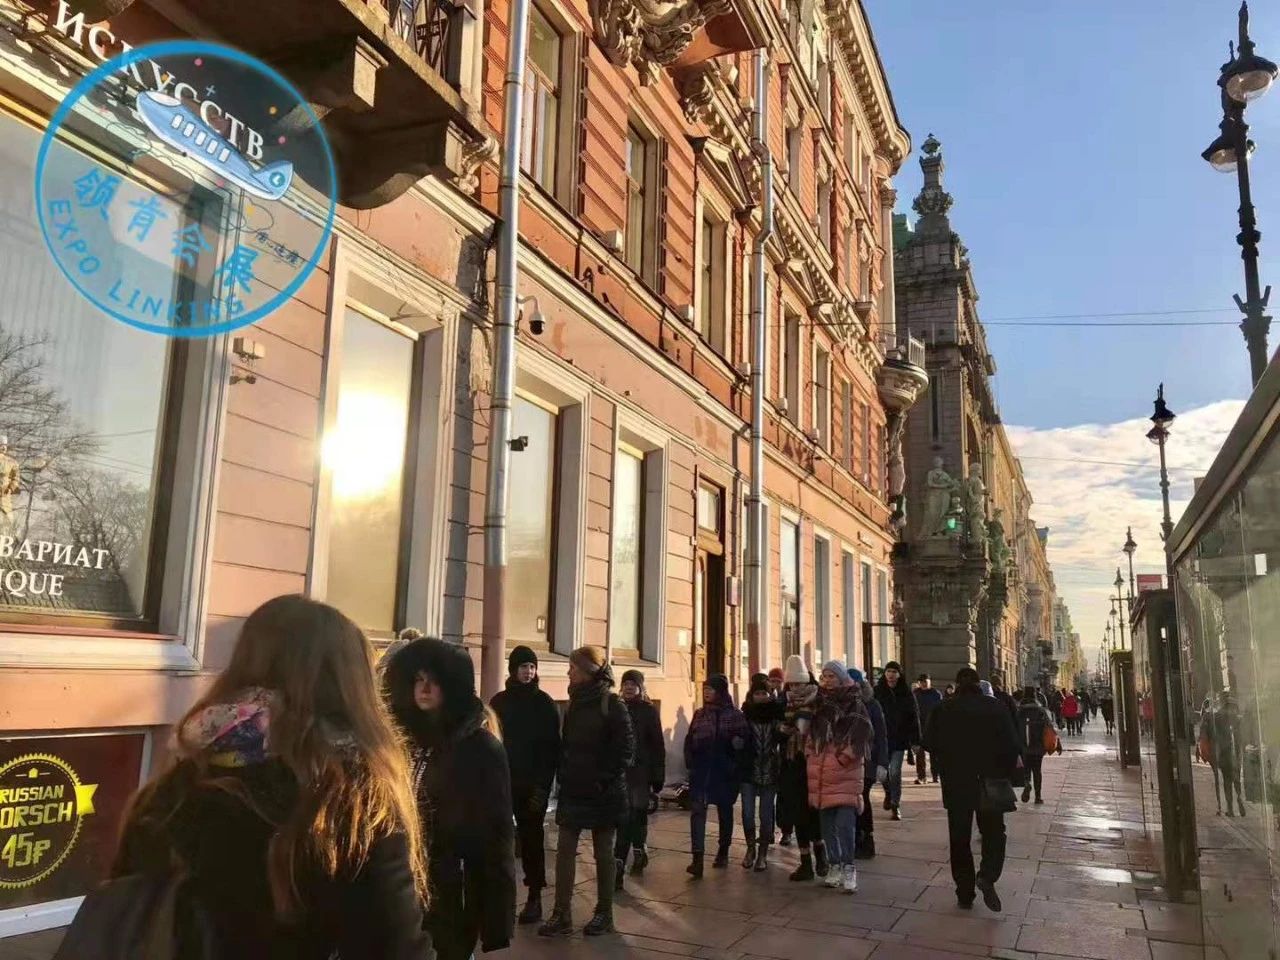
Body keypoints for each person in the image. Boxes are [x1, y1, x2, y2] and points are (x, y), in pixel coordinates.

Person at [111, 595, 433, 960]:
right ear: (351, 687)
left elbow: (126, 922)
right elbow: (397, 947)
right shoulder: (353, 800)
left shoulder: (172, 788)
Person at [384, 636, 516, 960]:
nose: (425, 688)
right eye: (418, 680)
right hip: (401, 880)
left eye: (434, 680)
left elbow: (497, 835)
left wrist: (496, 918)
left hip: (451, 887)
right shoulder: (402, 741)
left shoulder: (478, 747)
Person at [540, 646, 634, 938]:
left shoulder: (612, 704)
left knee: (603, 853)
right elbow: (567, 745)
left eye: (573, 668)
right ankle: (562, 913)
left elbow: (626, 751)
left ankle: (604, 912)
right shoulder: (574, 704)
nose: (568, 672)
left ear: (588, 672)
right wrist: (563, 774)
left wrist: (602, 780)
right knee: (565, 851)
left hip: (603, 793)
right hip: (573, 788)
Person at [925, 667, 1021, 913]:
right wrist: (1004, 771)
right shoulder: (996, 707)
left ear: (957, 685)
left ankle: (964, 891)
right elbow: (1012, 744)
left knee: (959, 837)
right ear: (979, 684)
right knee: (994, 833)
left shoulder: (943, 709)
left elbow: (929, 743)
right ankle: (987, 875)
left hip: (956, 782)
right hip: (990, 780)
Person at [489, 645, 561, 925]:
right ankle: (498, 898)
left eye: (532, 667)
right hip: (503, 784)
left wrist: (543, 787)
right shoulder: (499, 702)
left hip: (532, 787)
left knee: (532, 841)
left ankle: (534, 896)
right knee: (499, 842)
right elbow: (491, 742)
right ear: (513, 669)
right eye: (523, 667)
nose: (528, 672)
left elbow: (552, 749)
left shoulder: (544, 704)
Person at [806, 661, 873, 894]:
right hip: (822, 771)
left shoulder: (855, 702)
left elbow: (863, 733)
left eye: (831, 676)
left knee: (845, 825)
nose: (827, 680)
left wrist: (844, 757)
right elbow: (810, 734)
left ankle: (849, 867)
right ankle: (834, 864)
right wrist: (810, 754)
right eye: (824, 676)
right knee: (827, 827)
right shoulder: (818, 703)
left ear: (841, 678)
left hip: (845, 773)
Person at [684, 674, 750, 877]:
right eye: (705, 689)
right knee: (697, 811)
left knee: (724, 810)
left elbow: (744, 742)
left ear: (720, 692)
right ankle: (697, 858)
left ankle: (723, 850)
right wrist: (690, 762)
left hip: (724, 771)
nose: (706, 692)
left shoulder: (735, 715)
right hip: (702, 770)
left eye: (710, 689)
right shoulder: (700, 714)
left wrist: (734, 756)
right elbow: (690, 739)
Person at [777, 655, 829, 880]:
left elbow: (824, 730)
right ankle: (805, 862)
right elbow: (778, 731)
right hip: (792, 764)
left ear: (807, 681)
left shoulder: (818, 700)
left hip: (813, 761)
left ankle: (822, 856)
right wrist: (782, 731)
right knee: (798, 814)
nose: (795, 688)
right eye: (792, 684)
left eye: (799, 683)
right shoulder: (784, 702)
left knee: (814, 813)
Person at [616, 669, 665, 884]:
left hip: (641, 772)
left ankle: (637, 851)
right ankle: (619, 861)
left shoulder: (648, 711)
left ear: (640, 687)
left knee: (637, 814)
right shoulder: (616, 709)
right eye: (626, 684)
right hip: (620, 772)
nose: (628, 688)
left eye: (633, 684)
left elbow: (657, 745)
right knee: (623, 816)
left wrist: (657, 776)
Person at [740, 673, 784, 871]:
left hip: (770, 769)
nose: (760, 697)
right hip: (748, 770)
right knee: (747, 813)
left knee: (766, 814)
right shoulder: (745, 715)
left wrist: (783, 732)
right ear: (751, 695)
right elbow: (737, 737)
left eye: (763, 693)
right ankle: (750, 848)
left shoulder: (775, 714)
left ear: (769, 695)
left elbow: (783, 737)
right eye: (757, 693)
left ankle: (763, 852)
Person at [874, 661, 920, 821]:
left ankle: (895, 804)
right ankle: (888, 792)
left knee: (895, 772)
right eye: (888, 671)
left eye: (894, 672)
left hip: (899, 740)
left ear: (899, 675)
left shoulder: (906, 694)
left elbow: (914, 717)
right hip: (881, 740)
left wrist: (915, 741)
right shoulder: (878, 692)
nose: (891, 675)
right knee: (883, 774)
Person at [852, 667, 887, 859]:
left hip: (868, 760)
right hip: (849, 760)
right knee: (854, 800)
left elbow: (881, 734)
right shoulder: (843, 702)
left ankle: (867, 839)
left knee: (862, 797)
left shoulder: (872, 704)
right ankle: (856, 837)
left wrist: (883, 762)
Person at [1016, 685, 1059, 804]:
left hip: (1024, 746)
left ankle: (1026, 783)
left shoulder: (1019, 711)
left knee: (1026, 769)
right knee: (1037, 771)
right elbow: (1049, 727)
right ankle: (1038, 797)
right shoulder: (1041, 711)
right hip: (1038, 746)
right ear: (1035, 695)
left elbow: (1014, 727)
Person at [913, 674, 942, 784]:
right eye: (921, 682)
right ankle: (921, 776)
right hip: (919, 727)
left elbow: (940, 709)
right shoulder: (915, 694)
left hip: (932, 726)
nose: (924, 683)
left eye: (925, 681)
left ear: (930, 682)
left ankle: (935, 775)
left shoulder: (936, 694)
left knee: (934, 753)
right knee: (919, 753)